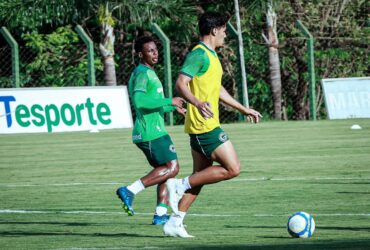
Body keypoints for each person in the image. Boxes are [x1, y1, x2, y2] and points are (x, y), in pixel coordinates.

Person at [163, 12, 262, 237]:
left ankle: (175, 222)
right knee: (233, 168)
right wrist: (196, 103)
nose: (226, 34)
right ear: (214, 30)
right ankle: (178, 185)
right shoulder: (199, 54)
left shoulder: (212, 55)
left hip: (205, 125)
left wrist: (243, 108)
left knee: (200, 176)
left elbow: (217, 90)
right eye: (224, 29)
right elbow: (180, 83)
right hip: (203, 127)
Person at [116, 36, 186, 225]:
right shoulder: (142, 73)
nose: (155, 53)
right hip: (151, 132)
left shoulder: (148, 73)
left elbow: (153, 105)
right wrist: (168, 100)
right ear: (141, 54)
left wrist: (173, 108)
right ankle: (130, 190)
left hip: (150, 131)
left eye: (156, 50)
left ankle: (160, 214)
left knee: (165, 170)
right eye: (150, 51)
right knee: (172, 168)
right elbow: (139, 102)